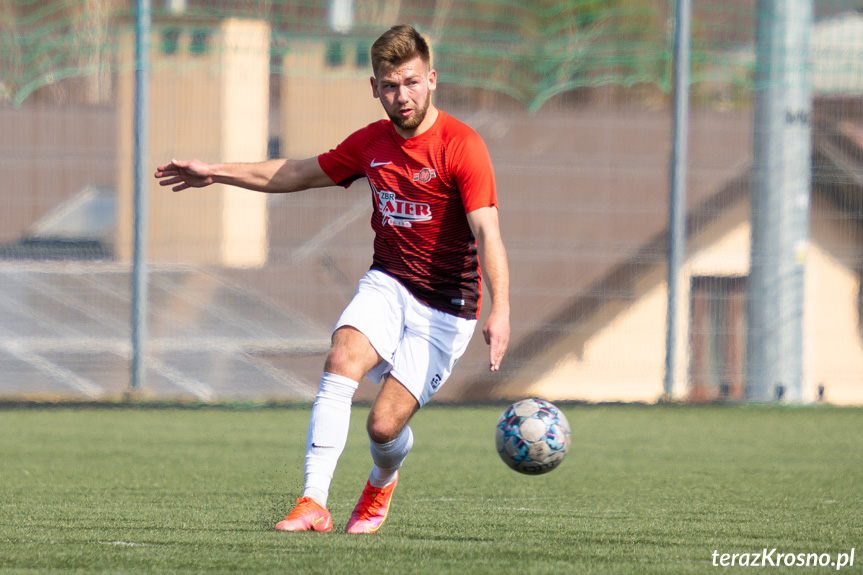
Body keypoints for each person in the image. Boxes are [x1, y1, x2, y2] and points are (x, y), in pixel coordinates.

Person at [154, 24, 510, 534]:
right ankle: (312, 501)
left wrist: (501, 309)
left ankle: (381, 480)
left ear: (432, 79)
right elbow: (297, 172)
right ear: (374, 88)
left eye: (411, 82)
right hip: (388, 282)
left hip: (446, 308)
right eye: (390, 85)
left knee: (383, 427)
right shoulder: (372, 143)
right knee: (341, 355)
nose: (401, 95)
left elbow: (487, 230)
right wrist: (215, 171)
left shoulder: (462, 146)